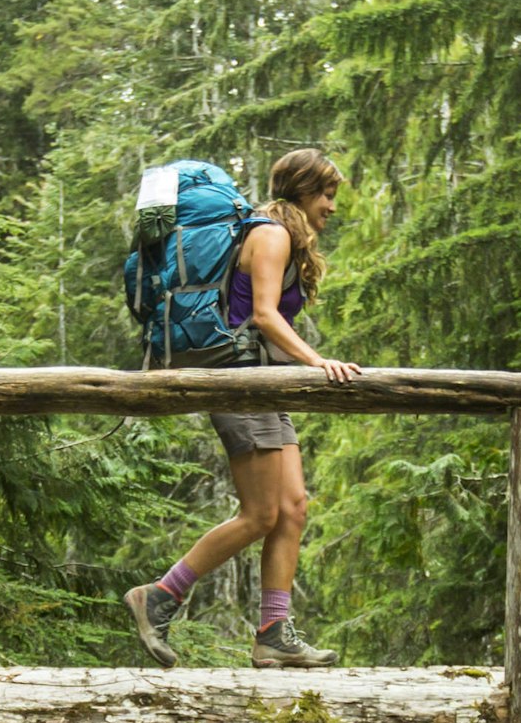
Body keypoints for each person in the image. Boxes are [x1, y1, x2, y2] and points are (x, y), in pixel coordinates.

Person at [122, 147, 362, 668]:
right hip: (239, 380)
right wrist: (320, 363)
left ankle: (274, 631)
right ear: (300, 189)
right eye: (326, 194)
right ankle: (160, 594)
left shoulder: (277, 235)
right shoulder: (271, 234)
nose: (332, 207)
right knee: (260, 514)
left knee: (293, 508)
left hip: (263, 381)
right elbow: (264, 317)